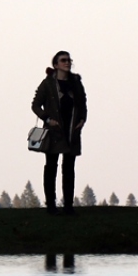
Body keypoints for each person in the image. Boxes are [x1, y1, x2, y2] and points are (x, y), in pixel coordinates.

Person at [31, 50, 87, 215]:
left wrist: (82, 120)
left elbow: (83, 104)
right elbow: (35, 105)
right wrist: (48, 120)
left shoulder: (76, 83)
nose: (67, 63)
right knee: (51, 167)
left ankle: (68, 206)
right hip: (54, 132)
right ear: (55, 64)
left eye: (69, 60)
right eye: (63, 60)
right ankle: (51, 206)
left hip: (72, 131)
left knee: (69, 169)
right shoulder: (48, 84)